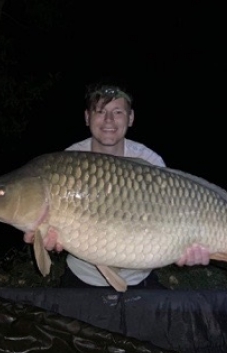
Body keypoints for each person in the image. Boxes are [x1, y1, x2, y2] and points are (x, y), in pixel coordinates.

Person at [58, 81, 216, 289]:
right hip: (82, 275)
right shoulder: (67, 163)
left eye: (118, 112)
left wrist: (186, 246)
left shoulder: (150, 161)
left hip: (138, 277)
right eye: (100, 111)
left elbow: (172, 222)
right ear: (87, 117)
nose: (109, 120)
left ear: (130, 118)